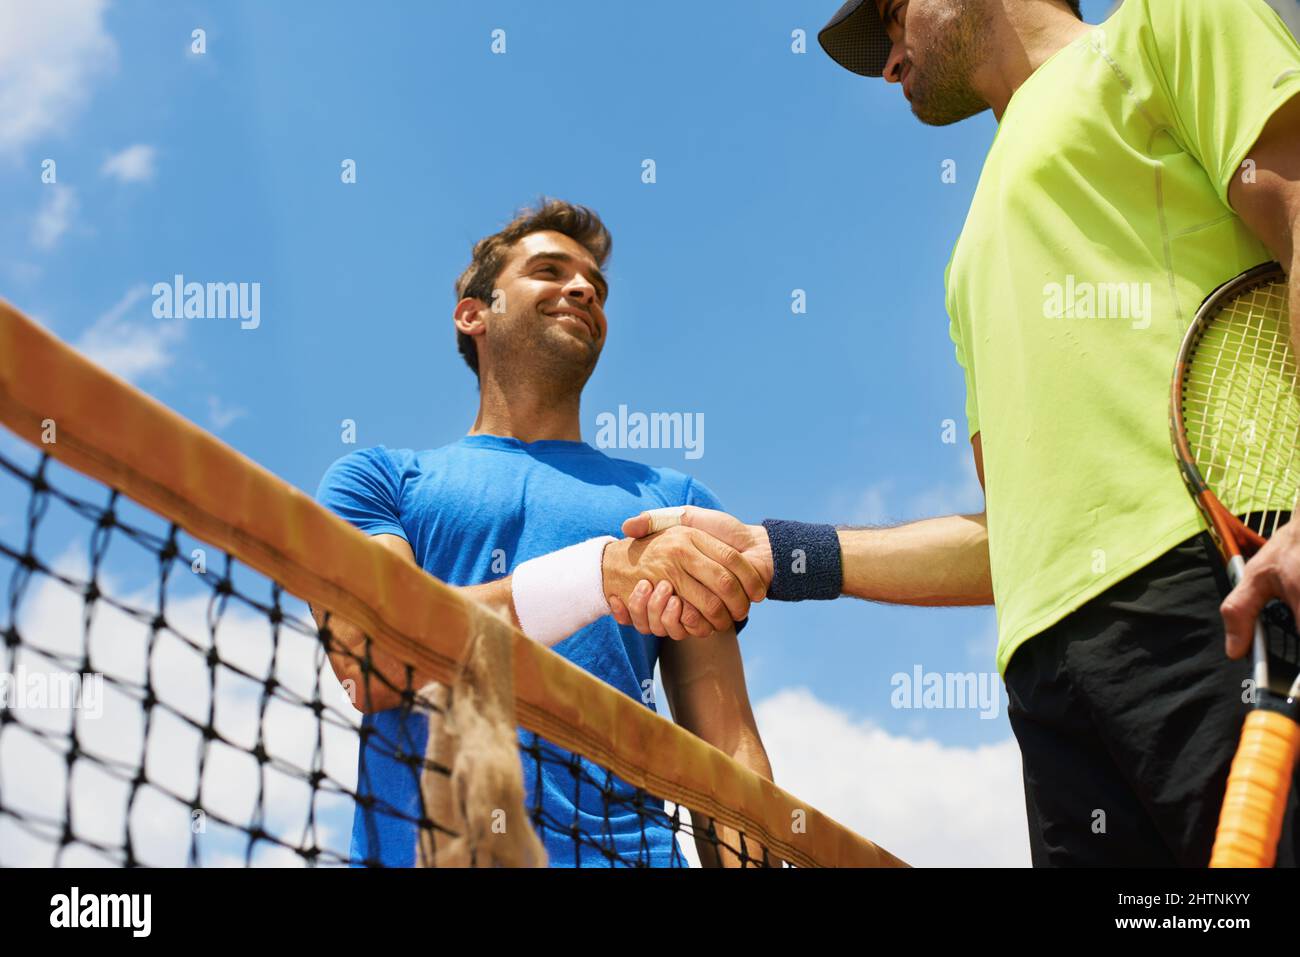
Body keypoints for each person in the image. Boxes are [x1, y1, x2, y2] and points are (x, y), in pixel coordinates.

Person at [612, 0, 1300, 866]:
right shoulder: (967, 254)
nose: (888, 60)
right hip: (1049, 680)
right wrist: (768, 553)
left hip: (1226, 584)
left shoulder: (1172, 23)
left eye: (892, 18)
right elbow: (1008, 536)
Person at [312, 199, 770, 867]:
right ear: (474, 313)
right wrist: (593, 576)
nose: (583, 289)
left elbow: (727, 741)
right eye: (549, 271)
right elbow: (372, 660)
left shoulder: (674, 502)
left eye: (596, 285)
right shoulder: (375, 480)